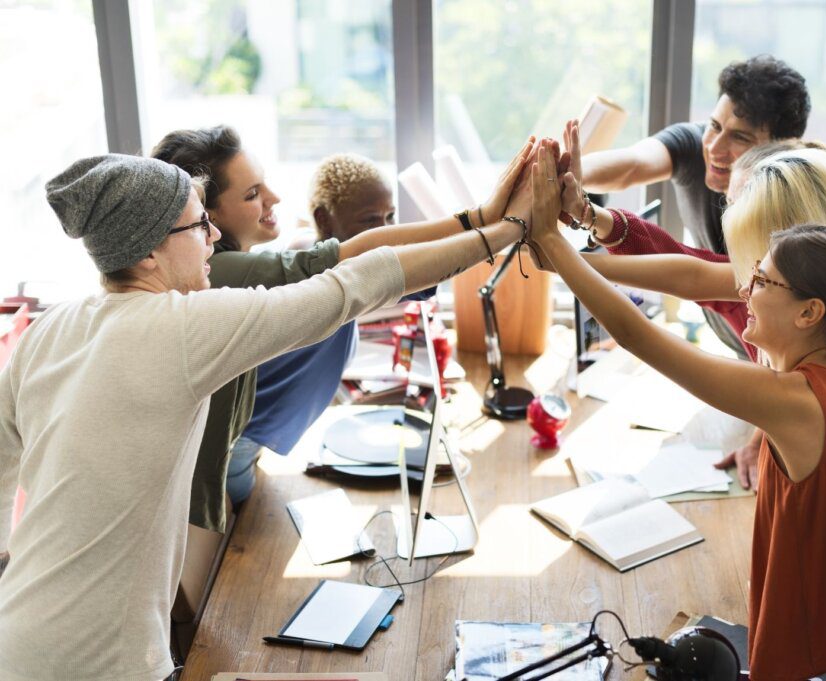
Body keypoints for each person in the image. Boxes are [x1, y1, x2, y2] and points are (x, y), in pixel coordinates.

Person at [0, 144, 533, 681]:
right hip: (99, 667)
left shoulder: (50, 329)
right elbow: (354, 284)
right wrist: (507, 231)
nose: (212, 237)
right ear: (148, 254)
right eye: (197, 226)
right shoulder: (183, 327)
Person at [529, 141, 826, 677]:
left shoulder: (798, 399)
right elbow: (694, 275)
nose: (743, 287)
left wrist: (555, 246)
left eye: (759, 279)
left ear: (810, 310)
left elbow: (635, 332)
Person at [151, 127, 486, 523]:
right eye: (252, 193)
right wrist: (490, 224)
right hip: (224, 465)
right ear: (207, 212)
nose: (273, 198)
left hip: (242, 451)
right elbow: (363, 263)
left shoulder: (241, 270)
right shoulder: (222, 274)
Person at [579, 54, 811, 357]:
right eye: (714, 126)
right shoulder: (696, 144)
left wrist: (563, 259)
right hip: (740, 349)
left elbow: (698, 277)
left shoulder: (796, 213)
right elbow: (632, 164)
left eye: (740, 137)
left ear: (783, 149)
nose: (714, 148)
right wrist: (571, 173)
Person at [290, 151, 396, 248]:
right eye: (369, 219)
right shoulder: (299, 260)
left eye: (390, 216)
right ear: (324, 220)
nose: (385, 230)